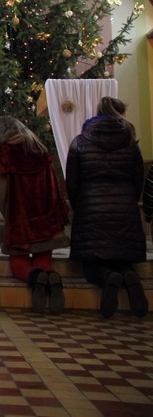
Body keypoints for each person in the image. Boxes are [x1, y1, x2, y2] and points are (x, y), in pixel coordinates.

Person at [66, 97, 148, 318]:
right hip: (124, 208)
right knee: (121, 257)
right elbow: (138, 179)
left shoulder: (80, 141)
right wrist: (129, 201)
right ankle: (129, 275)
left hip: (90, 206)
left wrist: (80, 206)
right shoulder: (131, 141)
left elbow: (72, 182)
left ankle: (106, 278)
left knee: (92, 262)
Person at [0, 117, 70, 314]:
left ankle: (35, 279)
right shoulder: (39, 148)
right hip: (45, 213)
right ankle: (51, 278)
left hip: (19, 216)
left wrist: (8, 213)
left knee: (19, 262)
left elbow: (0, 192)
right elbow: (53, 183)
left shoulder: (4, 152)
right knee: (44, 257)